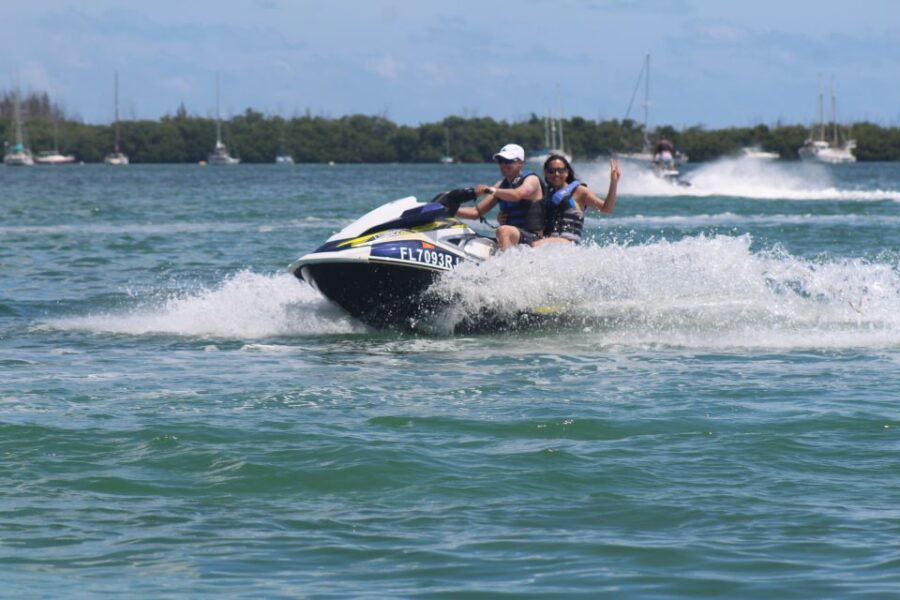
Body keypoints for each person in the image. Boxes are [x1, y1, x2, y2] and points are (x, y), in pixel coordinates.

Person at [456, 143, 546, 250]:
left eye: (508, 161)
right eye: (500, 161)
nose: (503, 165)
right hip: (512, 237)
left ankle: (507, 261)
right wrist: (449, 209)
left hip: (533, 238)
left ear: (521, 163)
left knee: (503, 230)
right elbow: (476, 212)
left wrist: (491, 190)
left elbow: (517, 194)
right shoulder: (501, 185)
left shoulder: (531, 179)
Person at [532, 154, 620, 247]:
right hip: (548, 243)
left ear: (567, 172)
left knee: (535, 245)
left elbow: (607, 208)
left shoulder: (579, 191)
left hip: (569, 243)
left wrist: (613, 182)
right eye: (551, 171)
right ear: (545, 173)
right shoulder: (543, 194)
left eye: (560, 170)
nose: (556, 174)